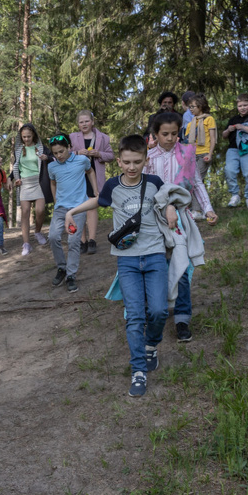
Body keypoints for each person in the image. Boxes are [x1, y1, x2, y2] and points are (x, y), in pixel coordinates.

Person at [68, 137, 173, 397]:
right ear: (119, 161)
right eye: (126, 162)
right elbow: (97, 201)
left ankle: (151, 345)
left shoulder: (154, 183)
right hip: (127, 260)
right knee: (135, 315)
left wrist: (170, 208)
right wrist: (72, 211)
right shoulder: (113, 186)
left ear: (145, 161)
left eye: (137, 162)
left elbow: (168, 198)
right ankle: (138, 370)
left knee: (159, 311)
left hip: (155, 254)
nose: (132, 167)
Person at [147, 112, 217, 342]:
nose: (169, 138)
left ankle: (182, 317)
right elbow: (143, 189)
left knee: (181, 264)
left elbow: (196, 182)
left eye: (174, 134)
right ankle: (155, 307)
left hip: (180, 217)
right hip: (154, 218)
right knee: (157, 264)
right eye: (164, 134)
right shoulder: (147, 157)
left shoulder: (187, 154)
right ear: (155, 134)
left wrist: (207, 208)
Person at [45, 134, 95, 293]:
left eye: (61, 151)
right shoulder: (52, 166)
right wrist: (55, 201)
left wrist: (96, 190)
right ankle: (62, 268)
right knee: (53, 237)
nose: (58, 155)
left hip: (78, 209)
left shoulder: (81, 160)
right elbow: (53, 183)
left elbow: (91, 172)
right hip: (60, 209)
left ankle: (71, 275)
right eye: (55, 153)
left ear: (69, 148)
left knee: (74, 241)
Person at [67, 110, 115, 254]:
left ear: (92, 122)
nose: (84, 124)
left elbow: (111, 156)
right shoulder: (72, 137)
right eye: (81, 122)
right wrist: (76, 153)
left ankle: (92, 240)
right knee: (79, 207)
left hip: (95, 176)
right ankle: (82, 241)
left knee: (92, 206)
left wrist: (99, 154)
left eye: (87, 121)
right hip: (78, 177)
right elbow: (63, 155)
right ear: (78, 124)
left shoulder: (103, 138)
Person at [10, 123, 52, 256]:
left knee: (40, 210)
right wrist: (12, 178)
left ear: (33, 134)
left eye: (28, 136)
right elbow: (16, 166)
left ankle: (38, 231)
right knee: (25, 212)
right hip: (24, 184)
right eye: (24, 137)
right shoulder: (18, 149)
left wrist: (47, 158)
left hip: (38, 182)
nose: (26, 139)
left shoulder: (40, 148)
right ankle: (26, 244)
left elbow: (54, 158)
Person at [222, 93, 248, 208]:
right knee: (229, 170)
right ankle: (235, 196)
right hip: (233, 149)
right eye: (240, 106)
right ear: (237, 107)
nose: (243, 108)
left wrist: (243, 127)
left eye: (245, 105)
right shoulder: (233, 119)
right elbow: (224, 135)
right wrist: (229, 130)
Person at [185, 94, 218, 219]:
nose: (191, 109)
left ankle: (197, 211)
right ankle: (203, 210)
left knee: (195, 181)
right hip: (192, 155)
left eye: (193, 106)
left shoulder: (209, 119)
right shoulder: (190, 124)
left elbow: (213, 139)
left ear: (200, 106)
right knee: (192, 181)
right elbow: (188, 142)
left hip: (204, 154)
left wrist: (210, 154)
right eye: (189, 107)